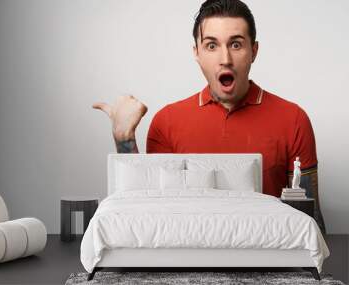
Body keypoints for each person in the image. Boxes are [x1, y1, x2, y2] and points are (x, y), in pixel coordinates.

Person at [92, 0, 326, 233]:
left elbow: (310, 220)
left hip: (270, 258)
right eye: (211, 46)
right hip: (186, 256)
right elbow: (148, 215)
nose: (225, 58)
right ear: (197, 53)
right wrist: (124, 138)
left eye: (236, 44)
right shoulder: (167, 121)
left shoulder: (294, 119)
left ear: (254, 51)